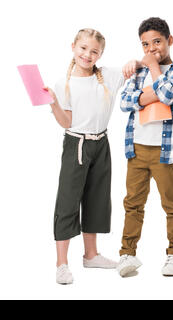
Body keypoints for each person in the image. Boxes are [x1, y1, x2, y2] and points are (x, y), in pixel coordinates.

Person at [44, 28, 135, 285]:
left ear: (101, 54)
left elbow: (136, 69)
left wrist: (133, 63)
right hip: (77, 145)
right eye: (83, 48)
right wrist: (53, 103)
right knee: (68, 201)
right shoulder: (65, 84)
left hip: (101, 143)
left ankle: (91, 255)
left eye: (94, 51)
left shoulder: (106, 75)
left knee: (97, 197)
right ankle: (62, 263)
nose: (88, 54)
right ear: (73, 46)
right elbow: (67, 121)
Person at [116, 17, 173, 278]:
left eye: (157, 42)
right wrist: (150, 91)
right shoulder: (136, 71)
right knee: (133, 203)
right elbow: (125, 102)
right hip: (136, 148)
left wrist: (152, 70)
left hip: (165, 150)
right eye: (145, 44)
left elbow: (169, 94)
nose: (151, 49)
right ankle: (127, 253)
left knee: (172, 203)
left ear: (169, 41)